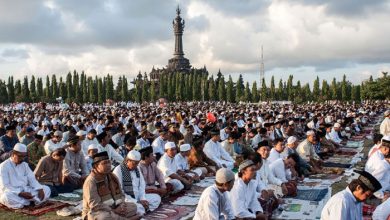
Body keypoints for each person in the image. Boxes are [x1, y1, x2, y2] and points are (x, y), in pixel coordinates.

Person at [82, 151, 140, 220]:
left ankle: (119, 217)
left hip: (115, 207)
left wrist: (121, 205)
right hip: (96, 211)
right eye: (104, 163)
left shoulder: (113, 177)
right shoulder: (91, 181)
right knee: (104, 217)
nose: (108, 165)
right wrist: (113, 210)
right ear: (96, 166)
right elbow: (95, 205)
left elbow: (121, 194)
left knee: (133, 207)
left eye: (109, 162)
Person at [0, 143, 51, 209]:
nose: (22, 158)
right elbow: (5, 186)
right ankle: (32, 202)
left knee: (46, 189)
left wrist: (39, 188)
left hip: (26, 190)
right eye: (20, 156)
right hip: (13, 192)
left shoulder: (24, 165)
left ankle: (29, 202)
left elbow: (32, 179)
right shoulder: (3, 166)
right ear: (13, 154)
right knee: (5, 197)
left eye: (24, 156)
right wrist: (20, 193)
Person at [113, 150, 161, 215]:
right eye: (134, 163)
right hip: (127, 200)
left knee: (156, 198)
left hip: (138, 197)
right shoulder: (118, 170)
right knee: (139, 208)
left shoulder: (137, 169)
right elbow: (120, 192)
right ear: (127, 161)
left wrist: (143, 199)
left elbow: (142, 185)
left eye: (137, 163)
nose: (136, 166)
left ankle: (144, 211)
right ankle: (143, 212)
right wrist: (137, 201)